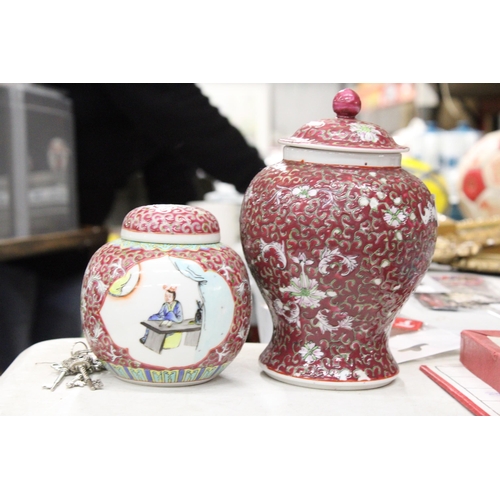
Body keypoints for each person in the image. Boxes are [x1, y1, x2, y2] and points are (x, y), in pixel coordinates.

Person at [0, 84, 266, 372]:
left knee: (49, 363)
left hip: (72, 240)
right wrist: (267, 189)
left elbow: (169, 150)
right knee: (14, 366)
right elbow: (183, 116)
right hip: (15, 240)